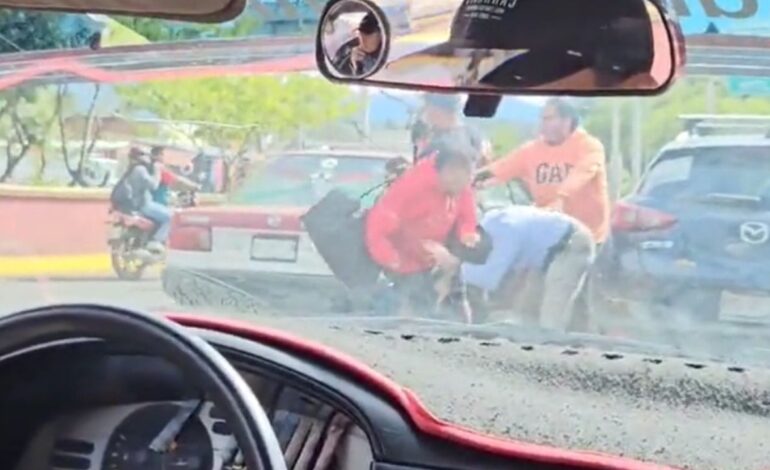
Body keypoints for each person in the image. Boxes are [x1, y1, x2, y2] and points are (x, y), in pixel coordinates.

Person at [365, 134, 480, 318]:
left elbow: (468, 216)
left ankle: (461, 328)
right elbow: (377, 229)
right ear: (448, 171)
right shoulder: (412, 187)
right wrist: (395, 262)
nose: (466, 187)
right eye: (464, 179)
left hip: (436, 254)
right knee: (410, 307)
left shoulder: (462, 185)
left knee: (455, 300)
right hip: (403, 257)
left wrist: (467, 234)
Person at [481, 97, 610, 244]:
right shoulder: (531, 150)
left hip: (587, 236)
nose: (542, 125)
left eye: (549, 119)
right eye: (542, 119)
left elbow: (582, 173)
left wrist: (561, 198)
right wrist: (472, 178)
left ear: (567, 121)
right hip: (550, 232)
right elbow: (501, 168)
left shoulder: (589, 146)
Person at [460, 206, 595, 330]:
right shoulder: (491, 221)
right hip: (546, 251)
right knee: (527, 313)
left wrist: (453, 272)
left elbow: (487, 279)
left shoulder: (504, 231)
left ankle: (552, 350)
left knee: (552, 314)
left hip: (571, 244)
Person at [415, 93, 492, 166]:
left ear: (436, 110)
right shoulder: (474, 134)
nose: (426, 113)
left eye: (427, 107)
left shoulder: (436, 145)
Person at [122, 148, 170, 252]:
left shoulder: (129, 170)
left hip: (130, 205)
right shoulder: (140, 170)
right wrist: (157, 172)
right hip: (143, 205)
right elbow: (154, 186)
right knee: (171, 217)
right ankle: (156, 241)